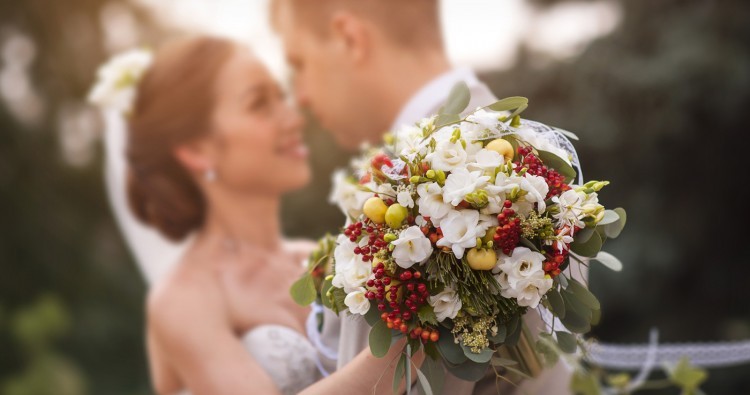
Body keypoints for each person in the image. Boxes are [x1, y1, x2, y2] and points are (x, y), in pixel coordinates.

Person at [272, 0, 580, 393]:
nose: (300, 97)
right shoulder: (533, 161)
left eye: (299, 64)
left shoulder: (406, 198)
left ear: (350, 39)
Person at [112, 36, 420, 395]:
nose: (292, 118)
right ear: (197, 150)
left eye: (281, 97)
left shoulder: (322, 258)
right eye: (259, 104)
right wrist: (417, 337)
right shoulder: (182, 300)